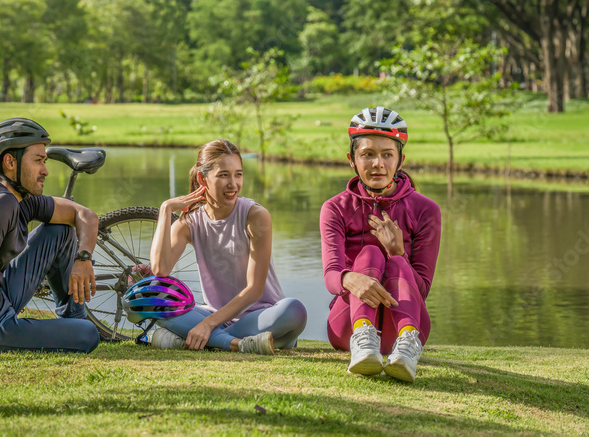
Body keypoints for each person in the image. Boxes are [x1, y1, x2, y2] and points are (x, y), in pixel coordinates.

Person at [0, 118, 101, 361]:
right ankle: (71, 328)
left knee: (61, 230)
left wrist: (83, 258)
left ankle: (72, 319)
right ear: (10, 162)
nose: (45, 170)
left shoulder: (18, 197)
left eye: (44, 161)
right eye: (38, 161)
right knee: (88, 335)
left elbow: (84, 214)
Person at [147, 139, 307, 355]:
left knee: (294, 310)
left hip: (260, 316)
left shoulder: (255, 216)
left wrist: (207, 325)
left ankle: (205, 338)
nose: (233, 184)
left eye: (238, 174)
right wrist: (165, 209)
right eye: (224, 175)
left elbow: (254, 290)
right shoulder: (189, 223)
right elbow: (160, 271)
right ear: (202, 178)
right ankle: (240, 344)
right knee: (151, 296)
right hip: (214, 315)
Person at [320, 107, 441, 382]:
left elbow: (422, 291)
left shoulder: (426, 210)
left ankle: (407, 348)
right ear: (352, 160)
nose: (378, 164)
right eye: (368, 155)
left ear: (400, 160)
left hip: (404, 325)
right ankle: (364, 341)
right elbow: (330, 276)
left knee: (395, 259)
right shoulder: (335, 208)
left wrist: (397, 252)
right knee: (370, 253)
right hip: (348, 327)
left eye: (387, 154)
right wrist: (351, 280)